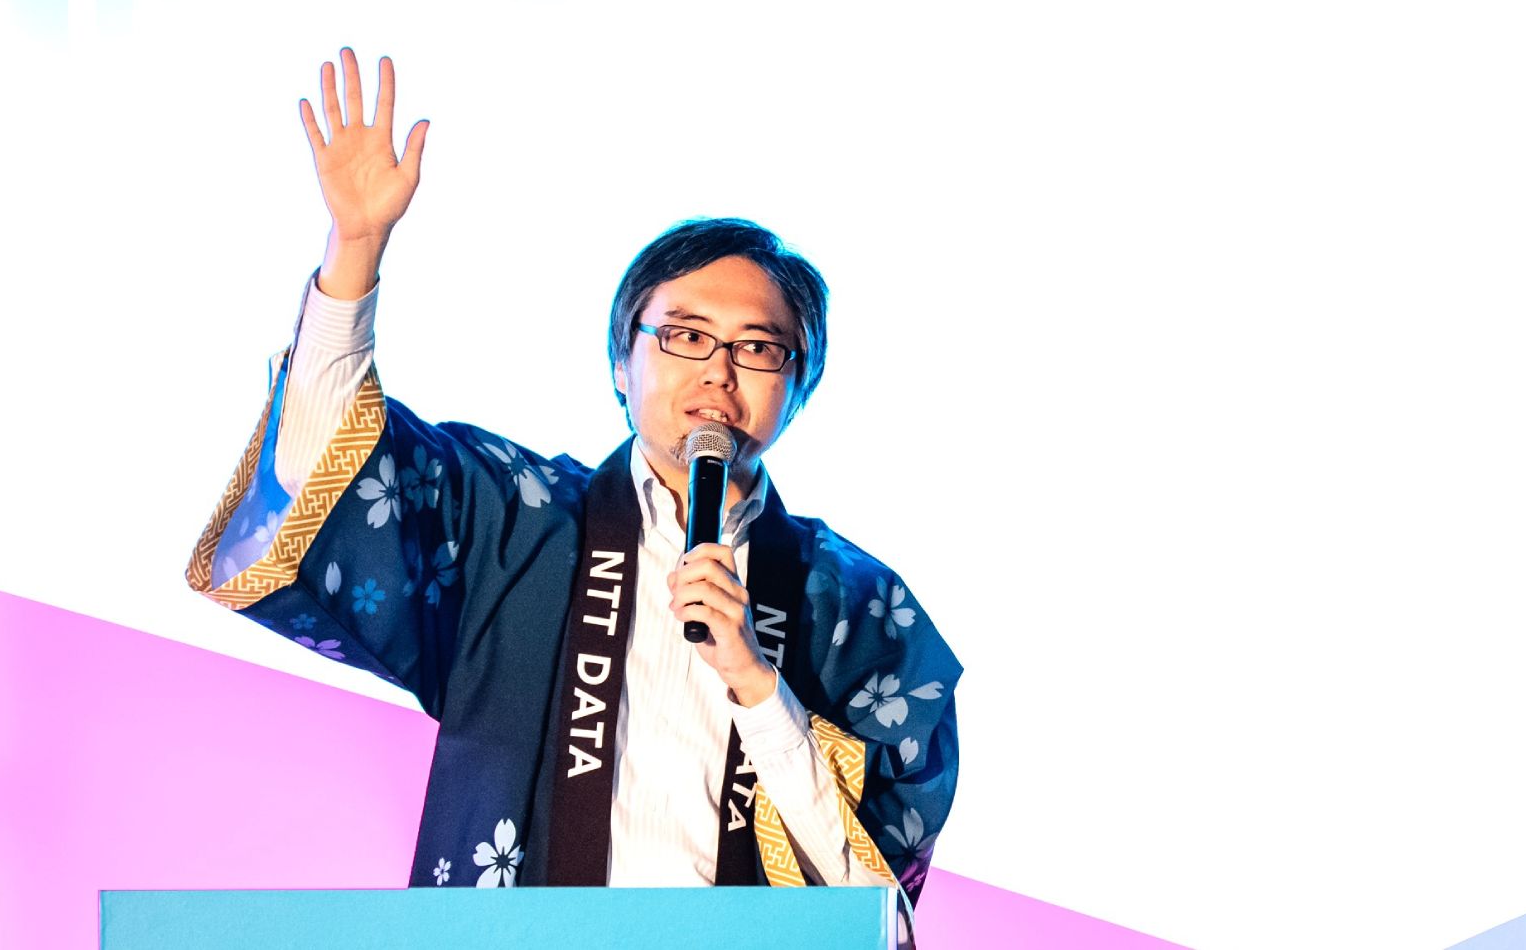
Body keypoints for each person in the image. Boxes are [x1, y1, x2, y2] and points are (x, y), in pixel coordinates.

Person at [187, 48, 960, 920]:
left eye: (758, 347)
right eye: (685, 336)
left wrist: (755, 679)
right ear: (622, 364)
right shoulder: (515, 523)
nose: (718, 371)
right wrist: (355, 252)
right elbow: (323, 466)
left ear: (799, 385)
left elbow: (874, 911)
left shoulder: (857, 610)